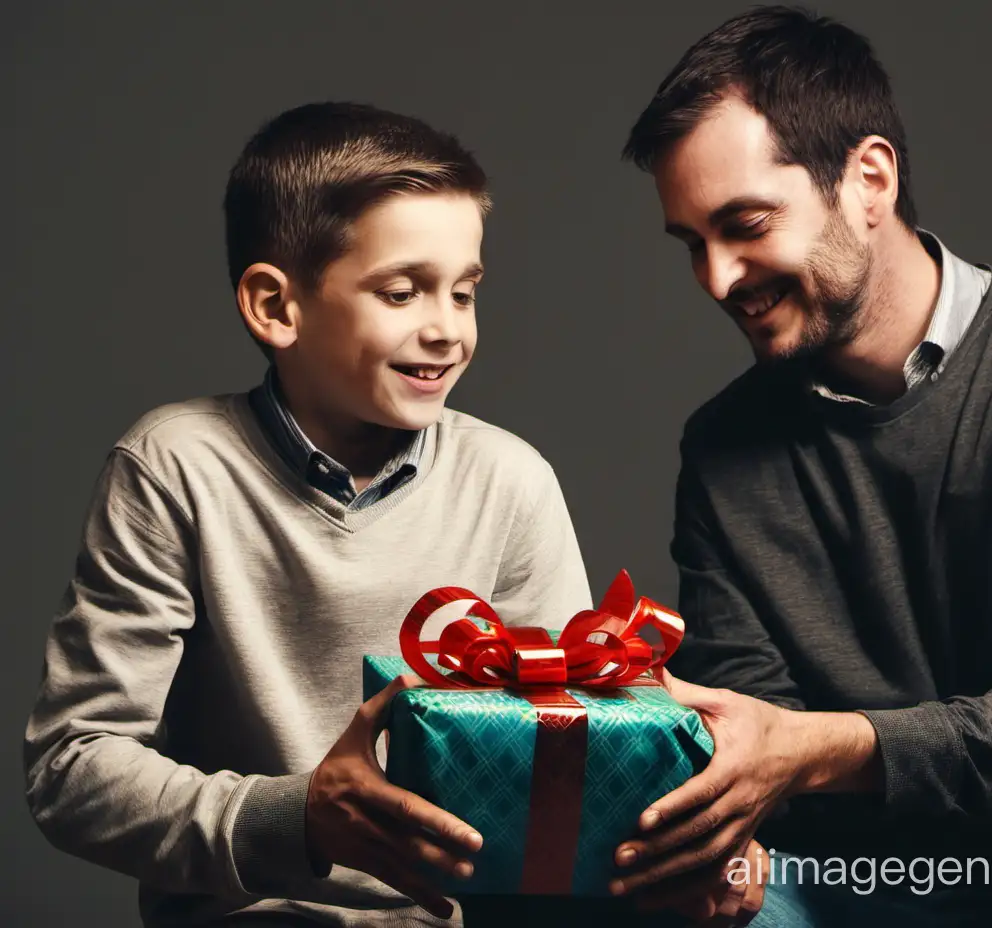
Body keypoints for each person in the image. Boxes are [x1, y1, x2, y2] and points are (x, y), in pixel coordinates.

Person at [609, 7, 992, 926]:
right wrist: (725, 829)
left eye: (745, 224)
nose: (718, 278)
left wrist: (824, 746)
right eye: (693, 244)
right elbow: (757, 737)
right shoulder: (722, 447)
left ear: (869, 180)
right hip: (851, 882)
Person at [23, 101, 595, 927]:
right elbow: (73, 767)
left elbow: (572, 747)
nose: (447, 331)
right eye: (402, 292)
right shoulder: (174, 467)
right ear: (275, 307)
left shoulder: (511, 481)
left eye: (464, 293)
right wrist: (298, 819)